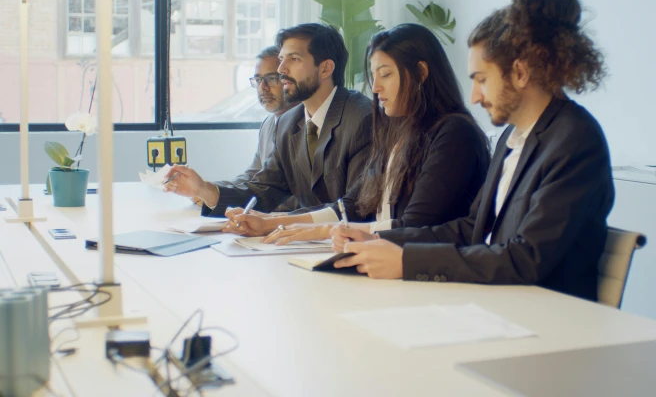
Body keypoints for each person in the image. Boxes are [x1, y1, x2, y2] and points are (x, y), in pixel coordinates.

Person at [330, 0, 615, 300]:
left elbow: (526, 259)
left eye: (481, 80)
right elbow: (471, 228)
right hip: (500, 300)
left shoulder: (575, 140)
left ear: (519, 72)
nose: (475, 96)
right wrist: (385, 241)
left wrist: (407, 261)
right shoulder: (513, 135)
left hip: (546, 315)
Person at [229, 24, 490, 243]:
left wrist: (317, 230)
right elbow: (353, 205)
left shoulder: (454, 133)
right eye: (374, 76)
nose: (375, 87)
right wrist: (274, 222)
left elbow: (414, 226)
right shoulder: (396, 131)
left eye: (385, 75)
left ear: (420, 73)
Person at [163, 23, 373, 218]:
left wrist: (274, 224)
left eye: (294, 59)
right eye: (282, 59)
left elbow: (356, 208)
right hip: (303, 246)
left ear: (326, 69)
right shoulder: (288, 123)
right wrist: (203, 189)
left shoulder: (363, 118)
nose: (282, 69)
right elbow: (263, 192)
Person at [182, 46, 297, 207]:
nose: (262, 87)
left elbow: (293, 198)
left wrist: (213, 196)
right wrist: (208, 189)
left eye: (271, 78)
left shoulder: (306, 126)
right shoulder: (268, 124)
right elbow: (252, 176)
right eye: (257, 80)